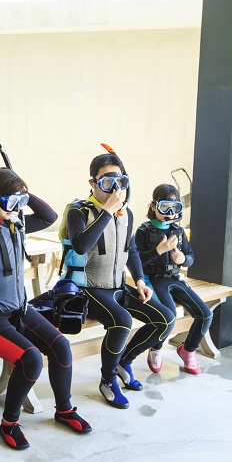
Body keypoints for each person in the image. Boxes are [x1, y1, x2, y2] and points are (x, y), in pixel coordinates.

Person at [0, 167, 92, 450]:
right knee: (31, 359)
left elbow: (49, 216)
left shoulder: (14, 222)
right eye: (9, 201)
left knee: (61, 346)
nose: (15, 208)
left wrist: (22, 194)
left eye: (20, 202)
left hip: (16, 309)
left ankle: (64, 409)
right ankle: (9, 423)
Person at [60, 152, 175, 409]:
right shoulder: (78, 211)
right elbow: (80, 246)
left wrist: (141, 280)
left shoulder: (126, 214)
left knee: (165, 319)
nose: (114, 188)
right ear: (92, 183)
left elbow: (130, 250)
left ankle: (125, 361)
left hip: (117, 285)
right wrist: (106, 211)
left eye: (119, 181)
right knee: (122, 321)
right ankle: (108, 379)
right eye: (106, 181)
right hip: (86, 288)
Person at [135, 184, 213, 374]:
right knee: (169, 316)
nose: (170, 213)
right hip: (154, 280)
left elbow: (191, 257)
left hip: (174, 279)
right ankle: (156, 347)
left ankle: (188, 350)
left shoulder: (177, 231)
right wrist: (158, 251)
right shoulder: (143, 231)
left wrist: (183, 259)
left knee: (205, 315)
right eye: (164, 207)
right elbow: (135, 262)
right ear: (153, 206)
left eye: (174, 207)